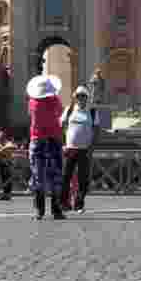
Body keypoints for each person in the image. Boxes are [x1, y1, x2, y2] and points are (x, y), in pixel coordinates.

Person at [27, 74, 65, 220]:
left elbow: (30, 115)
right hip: (54, 139)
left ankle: (39, 210)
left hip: (37, 139)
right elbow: (60, 113)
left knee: (38, 176)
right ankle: (56, 210)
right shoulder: (55, 100)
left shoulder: (32, 102)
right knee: (56, 175)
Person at [61, 85, 97, 213]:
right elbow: (61, 126)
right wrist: (63, 144)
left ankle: (79, 204)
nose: (81, 98)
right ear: (75, 98)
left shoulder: (92, 111)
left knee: (83, 179)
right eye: (78, 96)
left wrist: (92, 147)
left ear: (87, 98)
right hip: (70, 148)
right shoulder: (69, 109)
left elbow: (96, 130)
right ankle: (64, 203)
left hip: (84, 150)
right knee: (65, 177)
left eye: (83, 96)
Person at [0, 131, 16, 200]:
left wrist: (1, 150)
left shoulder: (8, 142)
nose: (0, 139)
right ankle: (0, 194)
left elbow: (13, 146)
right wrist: (1, 150)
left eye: (1, 137)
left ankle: (7, 194)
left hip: (7, 164)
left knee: (7, 178)